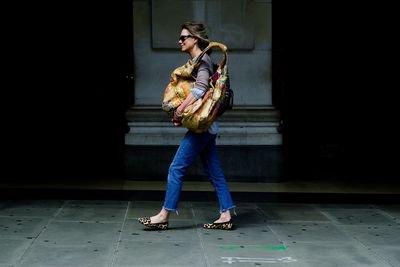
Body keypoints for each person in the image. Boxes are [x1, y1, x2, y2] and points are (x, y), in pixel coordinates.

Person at [138, 21, 235, 230]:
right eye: (180, 38)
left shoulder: (203, 61)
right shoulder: (198, 60)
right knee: (214, 172)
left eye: (184, 37)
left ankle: (164, 215)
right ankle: (226, 213)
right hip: (207, 128)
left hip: (202, 130)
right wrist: (182, 114)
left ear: (195, 39)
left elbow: (200, 89)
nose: (180, 41)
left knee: (176, 168)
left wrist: (180, 110)